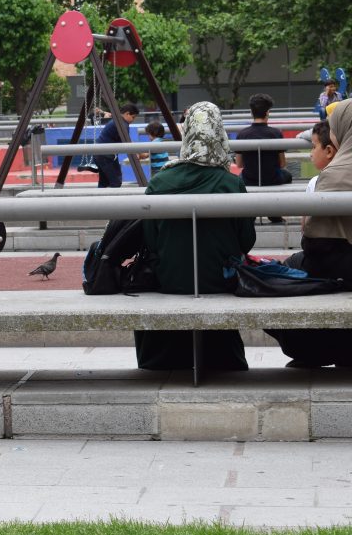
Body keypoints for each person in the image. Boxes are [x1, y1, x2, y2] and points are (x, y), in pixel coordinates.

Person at [135, 101, 256, 371]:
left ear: (187, 132)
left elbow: (151, 241)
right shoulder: (231, 183)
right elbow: (246, 240)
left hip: (169, 279)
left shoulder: (160, 182)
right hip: (218, 280)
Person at [265, 100, 352, 367]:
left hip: (338, 267)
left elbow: (315, 241)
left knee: (282, 273)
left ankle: (314, 352)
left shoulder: (334, 174)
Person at [235, 93, 293, 187]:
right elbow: (282, 164)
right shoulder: (276, 133)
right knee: (287, 175)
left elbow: (239, 164)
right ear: (267, 112)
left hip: (248, 180)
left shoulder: (242, 134)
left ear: (251, 112)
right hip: (273, 179)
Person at [94, 103, 140, 188]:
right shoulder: (123, 124)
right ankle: (112, 200)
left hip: (100, 154)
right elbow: (126, 142)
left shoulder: (117, 120)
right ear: (127, 114)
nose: (133, 120)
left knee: (104, 182)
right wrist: (136, 153)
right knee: (116, 181)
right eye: (133, 117)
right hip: (106, 156)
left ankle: (99, 200)